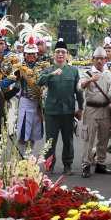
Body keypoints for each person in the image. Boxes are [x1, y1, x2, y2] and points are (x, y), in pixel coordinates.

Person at [37, 39, 84, 175]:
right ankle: (49, 165)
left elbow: (78, 90)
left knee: (68, 140)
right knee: (50, 141)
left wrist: (80, 107)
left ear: (67, 55)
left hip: (68, 111)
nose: (60, 55)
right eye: (57, 52)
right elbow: (39, 82)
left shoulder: (73, 71)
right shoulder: (49, 70)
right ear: (54, 55)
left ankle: (67, 165)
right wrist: (52, 74)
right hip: (52, 112)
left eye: (63, 52)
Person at [77, 47, 111, 178]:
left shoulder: (108, 74)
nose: (99, 61)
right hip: (91, 110)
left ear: (106, 60)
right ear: (92, 60)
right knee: (89, 138)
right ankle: (86, 164)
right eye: (97, 58)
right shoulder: (87, 73)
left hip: (105, 109)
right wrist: (90, 80)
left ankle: (100, 163)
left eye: (102, 58)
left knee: (103, 138)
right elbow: (80, 87)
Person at [11, 36, 50, 153]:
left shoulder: (43, 67)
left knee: (33, 133)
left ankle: (29, 158)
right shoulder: (19, 68)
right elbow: (13, 82)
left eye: (33, 53)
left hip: (38, 103)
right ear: (24, 55)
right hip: (25, 102)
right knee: (23, 133)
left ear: (37, 54)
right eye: (28, 53)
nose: (31, 56)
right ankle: (21, 159)